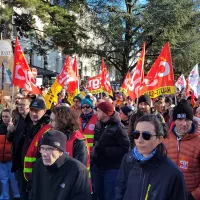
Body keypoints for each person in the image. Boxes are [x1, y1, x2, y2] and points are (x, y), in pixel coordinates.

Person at [115, 114, 187, 200]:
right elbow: (120, 189)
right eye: (136, 134)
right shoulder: (128, 159)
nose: (139, 140)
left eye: (146, 135)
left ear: (159, 139)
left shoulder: (173, 173)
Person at [30, 130, 91, 200]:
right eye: (42, 148)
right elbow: (33, 194)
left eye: (49, 149)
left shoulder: (78, 170)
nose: (44, 154)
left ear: (61, 151)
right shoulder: (38, 165)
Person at [13, 97, 50, 200]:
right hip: (23, 170)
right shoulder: (27, 123)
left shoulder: (46, 128)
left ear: (44, 111)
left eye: (37, 111)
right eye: (32, 110)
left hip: (36, 174)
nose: (34, 113)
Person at [92, 102, 130, 200]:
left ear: (106, 113)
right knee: (98, 194)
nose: (96, 113)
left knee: (110, 196)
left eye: (99, 111)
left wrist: (105, 151)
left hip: (112, 168)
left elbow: (125, 148)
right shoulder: (98, 124)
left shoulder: (119, 127)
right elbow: (96, 142)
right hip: (98, 166)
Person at [164, 99, 200, 200]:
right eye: (179, 119)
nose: (184, 124)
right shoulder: (165, 139)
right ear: (174, 120)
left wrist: (194, 196)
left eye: (187, 119)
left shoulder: (198, 141)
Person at [0, 109, 20, 200]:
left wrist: (12, 131)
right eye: (3, 116)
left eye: (7, 116)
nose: (4, 118)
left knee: (13, 178)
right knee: (3, 179)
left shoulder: (15, 127)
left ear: (11, 117)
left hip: (11, 158)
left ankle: (16, 194)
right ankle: (5, 196)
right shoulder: (0, 127)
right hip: (1, 158)